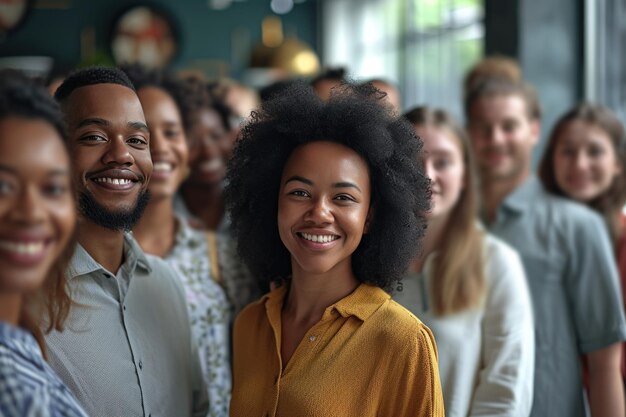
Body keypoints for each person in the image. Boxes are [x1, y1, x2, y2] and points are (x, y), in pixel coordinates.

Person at [226, 82, 444, 417]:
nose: (319, 213)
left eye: (343, 197)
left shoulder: (403, 341)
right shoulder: (250, 325)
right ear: (273, 202)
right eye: (299, 192)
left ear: (370, 217)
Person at [45, 66, 208, 417]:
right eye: (94, 137)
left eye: (137, 140)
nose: (122, 155)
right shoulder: (21, 298)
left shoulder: (166, 284)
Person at [465, 77, 626, 417]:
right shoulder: (450, 225)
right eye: (484, 127)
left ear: (534, 132)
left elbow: (604, 364)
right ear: (468, 133)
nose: (496, 139)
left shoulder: (580, 227)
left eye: (509, 126)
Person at [395, 106, 534, 417]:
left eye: (443, 161)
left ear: (466, 175)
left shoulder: (497, 263)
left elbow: (505, 392)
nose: (428, 175)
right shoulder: (366, 260)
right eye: (414, 163)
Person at [123, 65, 232, 417]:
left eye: (173, 132)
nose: (163, 148)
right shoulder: (98, 257)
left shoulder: (222, 255)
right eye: (143, 136)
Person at [0, 71, 88, 417]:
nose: (31, 213)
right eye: (3, 186)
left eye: (52, 188)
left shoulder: (20, 341)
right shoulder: (11, 383)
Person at [539, 102, 626, 382]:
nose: (579, 164)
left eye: (595, 151)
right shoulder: (530, 235)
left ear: (617, 164)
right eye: (567, 151)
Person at [176, 76, 259, 313]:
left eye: (215, 135)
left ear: (230, 136)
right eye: (192, 139)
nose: (208, 150)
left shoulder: (253, 210)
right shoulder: (160, 217)